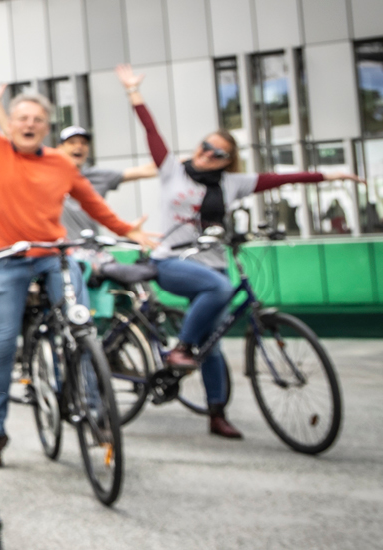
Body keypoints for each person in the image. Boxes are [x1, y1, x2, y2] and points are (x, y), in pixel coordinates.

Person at [0, 14, 160, 467]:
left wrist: (127, 231)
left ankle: (96, 411)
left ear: (45, 126)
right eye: (22, 117)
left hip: (55, 258)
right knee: (0, 345)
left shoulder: (61, 163)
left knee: (82, 329)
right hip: (7, 260)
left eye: (37, 118)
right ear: (11, 123)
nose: (30, 123)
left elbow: (94, 204)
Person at [117, 64, 362, 439]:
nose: (209, 154)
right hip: (170, 260)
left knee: (211, 344)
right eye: (205, 146)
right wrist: (134, 92)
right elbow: (152, 132)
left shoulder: (234, 183)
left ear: (228, 161)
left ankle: (216, 413)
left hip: (213, 263)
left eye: (219, 153)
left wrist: (331, 176)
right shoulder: (171, 171)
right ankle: (181, 348)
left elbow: (284, 178)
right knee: (216, 293)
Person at [0, 79, 158, 236]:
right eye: (72, 143)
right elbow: (13, 136)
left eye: (83, 143)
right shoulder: (46, 168)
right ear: (59, 148)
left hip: (89, 252)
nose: (78, 147)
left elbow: (147, 170)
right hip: (56, 248)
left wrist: (181, 164)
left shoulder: (98, 176)